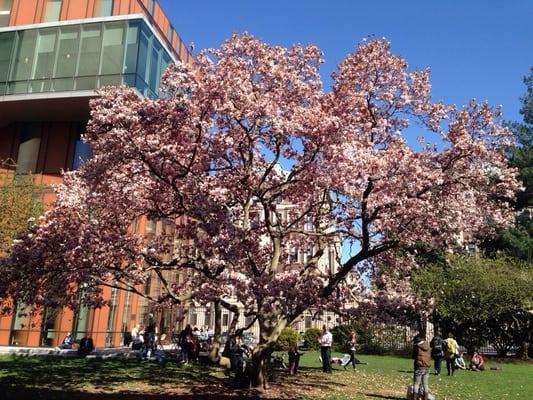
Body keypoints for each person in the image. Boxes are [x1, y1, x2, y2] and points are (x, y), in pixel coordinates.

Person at [411, 333, 431, 400]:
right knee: (425, 384)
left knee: (416, 383)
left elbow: (413, 356)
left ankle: (415, 397)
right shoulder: (428, 346)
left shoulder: (417, 347)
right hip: (426, 367)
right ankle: (426, 397)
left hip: (419, 367)